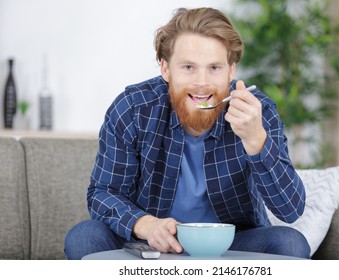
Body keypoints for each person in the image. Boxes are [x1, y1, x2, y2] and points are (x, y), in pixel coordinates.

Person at [64, 7, 310, 260]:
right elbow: (103, 193)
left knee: (290, 244)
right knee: (84, 237)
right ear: (166, 69)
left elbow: (290, 210)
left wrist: (256, 139)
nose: (202, 82)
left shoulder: (257, 112)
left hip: (230, 244)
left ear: (231, 70)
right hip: (149, 243)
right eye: (188, 67)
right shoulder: (133, 108)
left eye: (214, 67)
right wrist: (146, 225)